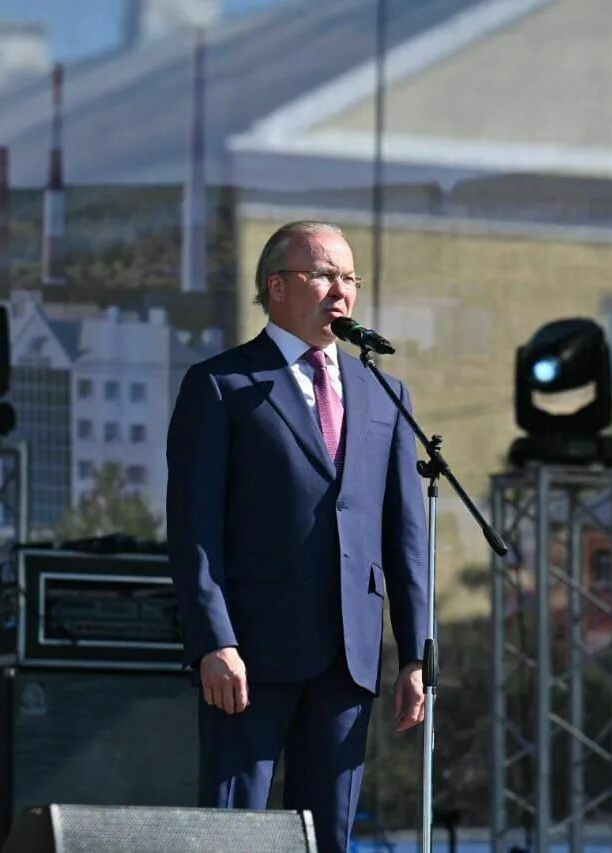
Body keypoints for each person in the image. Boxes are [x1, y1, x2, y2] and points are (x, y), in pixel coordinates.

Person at [165, 220, 429, 852]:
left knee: (330, 838)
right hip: (248, 655)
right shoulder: (223, 385)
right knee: (235, 835)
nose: (341, 291)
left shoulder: (384, 393)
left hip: (348, 655)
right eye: (323, 275)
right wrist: (213, 640)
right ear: (277, 286)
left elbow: (406, 534)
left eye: (350, 278)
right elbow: (194, 529)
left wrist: (417, 653)